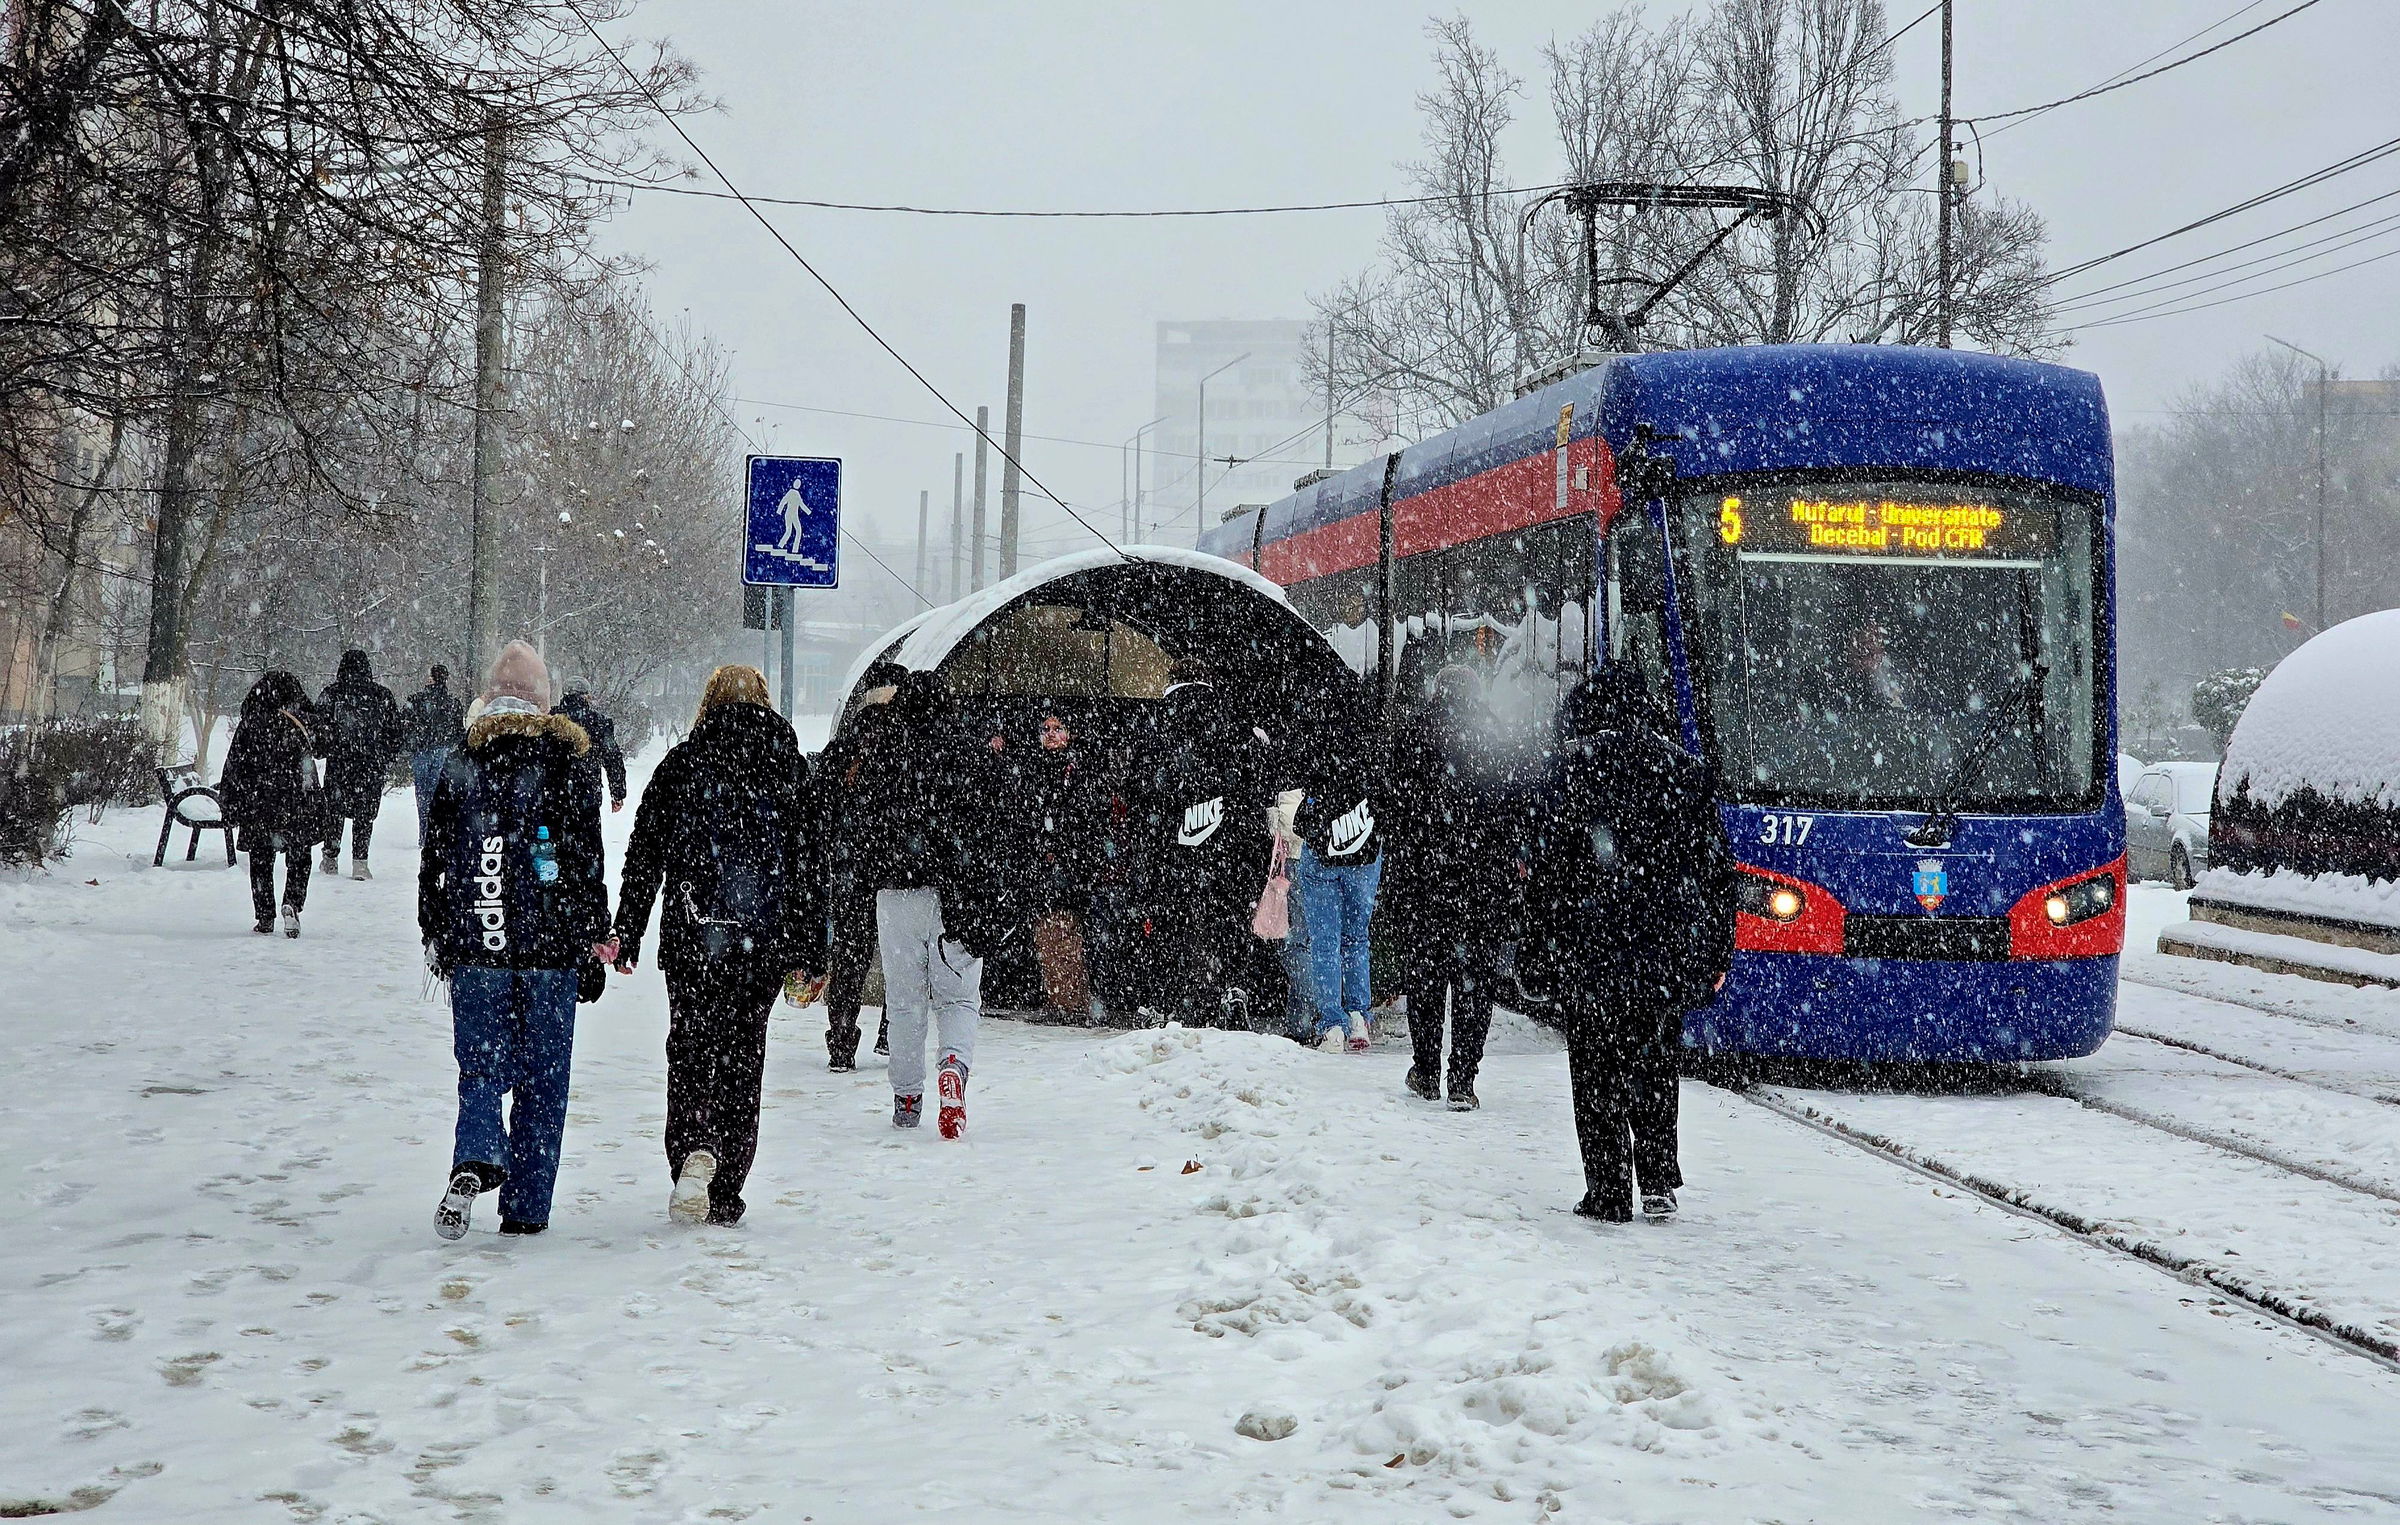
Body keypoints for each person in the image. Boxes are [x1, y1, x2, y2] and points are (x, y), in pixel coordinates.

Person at [1519, 663, 1735, 1223]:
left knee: (1595, 1065)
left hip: (1590, 947)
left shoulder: (1570, 769)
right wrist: (1715, 952)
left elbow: (1547, 869)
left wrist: (1537, 941)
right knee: (1656, 1061)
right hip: (1663, 951)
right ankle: (1659, 1180)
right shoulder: (1687, 773)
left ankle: (1609, 1190)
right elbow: (1716, 875)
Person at [614, 666, 825, 1226]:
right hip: (762, 943)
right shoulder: (789, 769)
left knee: (689, 1046)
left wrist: (628, 928)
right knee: (743, 1053)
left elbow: (644, 855)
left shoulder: (681, 766)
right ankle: (727, 1186)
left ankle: (692, 1147)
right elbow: (810, 869)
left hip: (691, 936)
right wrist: (810, 952)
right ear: (765, 704)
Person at [422, 640, 611, 1240]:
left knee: (480, 1067)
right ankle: (527, 1210)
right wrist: (594, 939)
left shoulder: (461, 762)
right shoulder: (571, 763)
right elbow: (584, 862)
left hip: (478, 941)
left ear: (487, 696)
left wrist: (436, 929)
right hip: (552, 952)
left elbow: (437, 859)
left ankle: (476, 1151)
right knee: (544, 1080)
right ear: (545, 699)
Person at [838, 670, 1010, 1137]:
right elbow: (991, 829)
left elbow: (860, 827)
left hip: (895, 895)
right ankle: (953, 1069)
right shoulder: (969, 754)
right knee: (957, 998)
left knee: (906, 1000)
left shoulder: (881, 753)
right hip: (954, 896)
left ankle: (907, 1095)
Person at [1383, 665, 1522, 1109]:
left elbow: (1394, 810)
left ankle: (1425, 1070)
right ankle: (1463, 1077)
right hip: (1482, 888)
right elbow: (1515, 815)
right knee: (1474, 984)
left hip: (1425, 884)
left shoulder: (1413, 734)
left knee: (1424, 980)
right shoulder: (1496, 740)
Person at [1131, 663, 1275, 1029]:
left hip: (1172, 848)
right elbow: (1256, 786)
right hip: (1230, 848)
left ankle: (1163, 1002)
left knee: (1170, 922)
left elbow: (1141, 790)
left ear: (1171, 680)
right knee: (1229, 919)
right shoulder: (1235, 725)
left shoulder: (1154, 726)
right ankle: (1233, 989)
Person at [813, 662, 909, 1071]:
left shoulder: (853, 736)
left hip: (854, 863)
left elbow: (820, 796)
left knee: (851, 953)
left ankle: (841, 1040)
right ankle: (892, 1031)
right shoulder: (912, 738)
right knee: (900, 955)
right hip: (901, 867)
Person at [1285, 684, 1388, 1052]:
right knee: (1357, 938)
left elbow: (1299, 795)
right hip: (1363, 854)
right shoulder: (1373, 743)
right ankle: (1359, 1016)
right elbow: (1385, 797)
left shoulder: (1315, 739)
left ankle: (1331, 1025)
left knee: (1324, 942)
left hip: (1323, 856)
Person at [217, 671, 326, 938]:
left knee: (261, 859)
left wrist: (231, 802)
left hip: (258, 804)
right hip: (294, 801)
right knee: (299, 857)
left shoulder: (250, 723)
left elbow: (234, 766)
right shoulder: (298, 723)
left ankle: (265, 915)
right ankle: (292, 902)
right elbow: (315, 756)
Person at [315, 649, 403, 879]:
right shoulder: (381, 696)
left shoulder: (331, 694)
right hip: (370, 766)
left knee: (334, 812)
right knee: (364, 814)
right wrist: (385, 755)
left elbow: (318, 730)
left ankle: (330, 858)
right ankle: (360, 862)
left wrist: (325, 749)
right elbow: (394, 733)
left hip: (339, 764)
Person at [402, 665, 466, 840]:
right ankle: (437, 831)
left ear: (431, 678)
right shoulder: (453, 703)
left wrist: (412, 743)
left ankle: (424, 831)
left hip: (421, 751)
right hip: (443, 751)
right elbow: (459, 733)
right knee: (439, 793)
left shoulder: (415, 700)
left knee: (422, 795)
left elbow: (405, 726)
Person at [553, 687, 629, 814]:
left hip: (554, 793)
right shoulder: (598, 722)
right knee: (587, 831)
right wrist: (617, 793)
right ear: (586, 696)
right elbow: (613, 759)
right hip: (588, 793)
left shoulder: (551, 718)